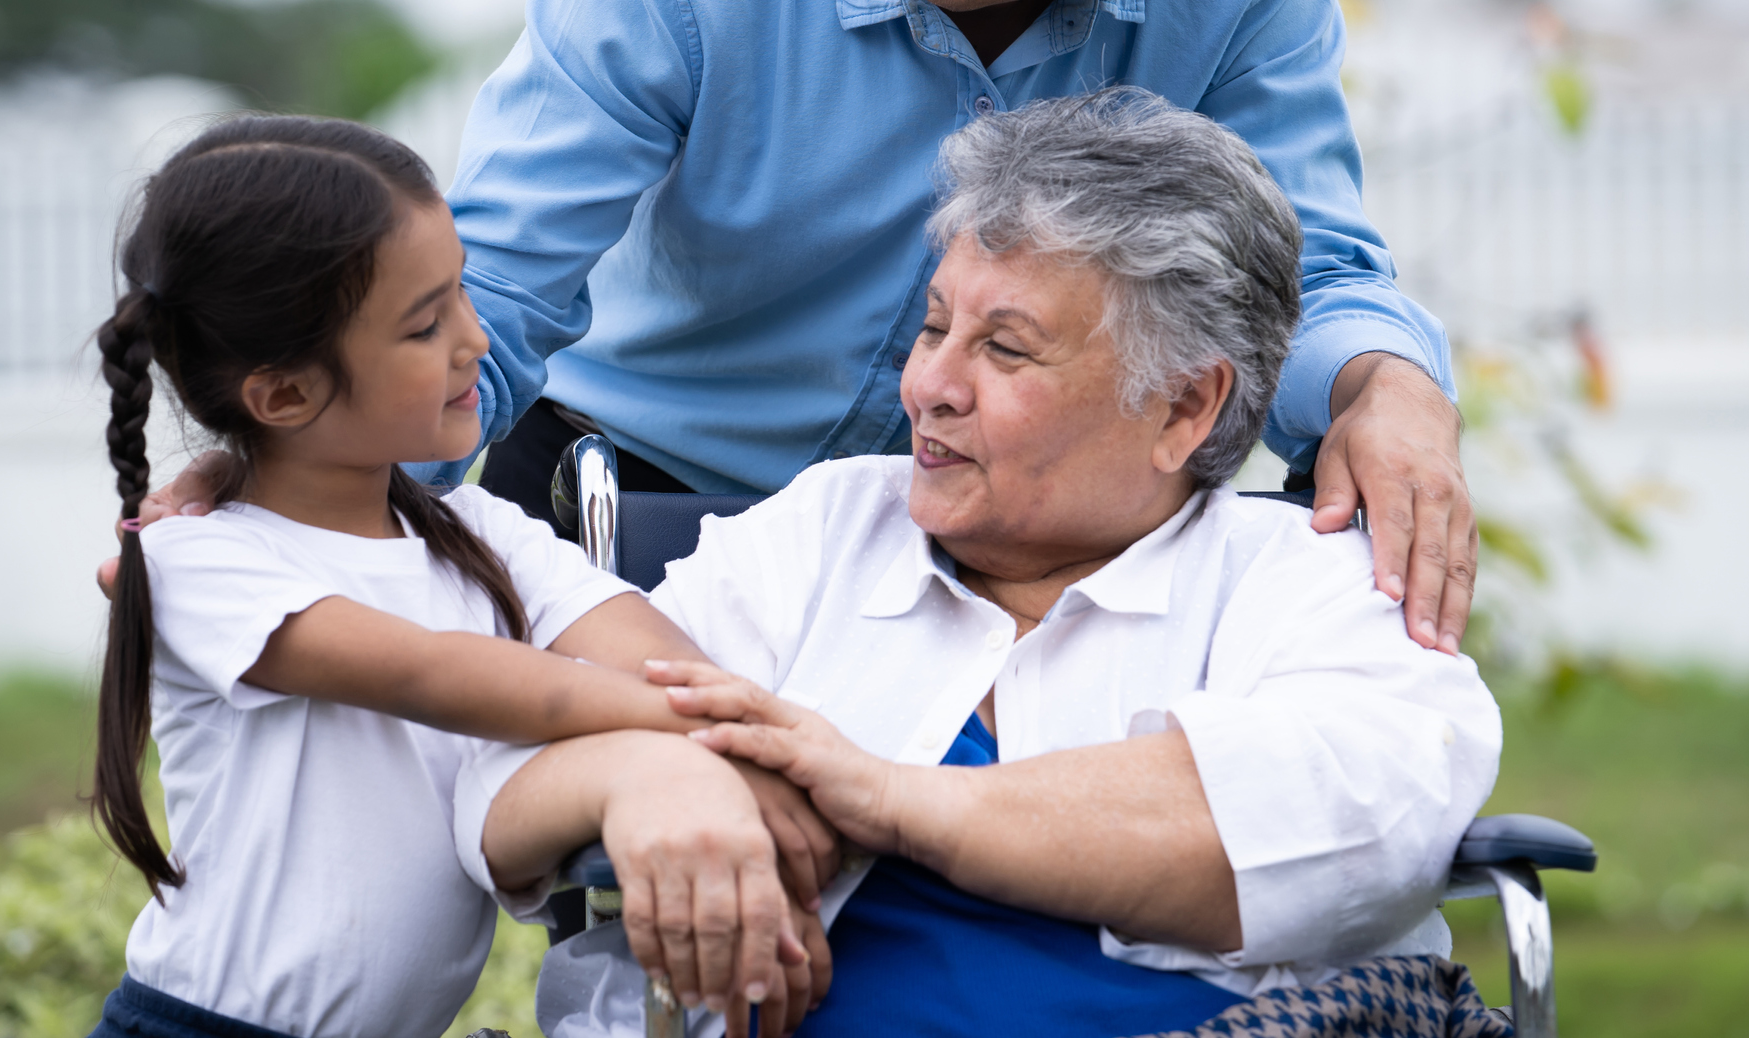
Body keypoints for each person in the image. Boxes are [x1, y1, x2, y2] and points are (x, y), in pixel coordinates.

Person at [439, 0, 1479, 655]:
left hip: (1008, 555)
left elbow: (1305, 276)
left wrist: (1385, 390)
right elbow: (494, 290)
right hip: (627, 511)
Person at [462, 92, 1503, 1038]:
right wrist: (641, 773)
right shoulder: (818, 536)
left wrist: (885, 800)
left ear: (1186, 404)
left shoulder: (1308, 578)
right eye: (932, 326)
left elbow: (1356, 812)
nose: (931, 386)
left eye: (1005, 350)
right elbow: (495, 789)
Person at [82, 116, 817, 1038]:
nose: (476, 340)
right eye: (426, 323)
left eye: (463, 292)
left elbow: (659, 657)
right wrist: (748, 731)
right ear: (284, 394)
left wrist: (708, 721)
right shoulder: (204, 560)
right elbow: (443, 675)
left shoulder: (477, 531)